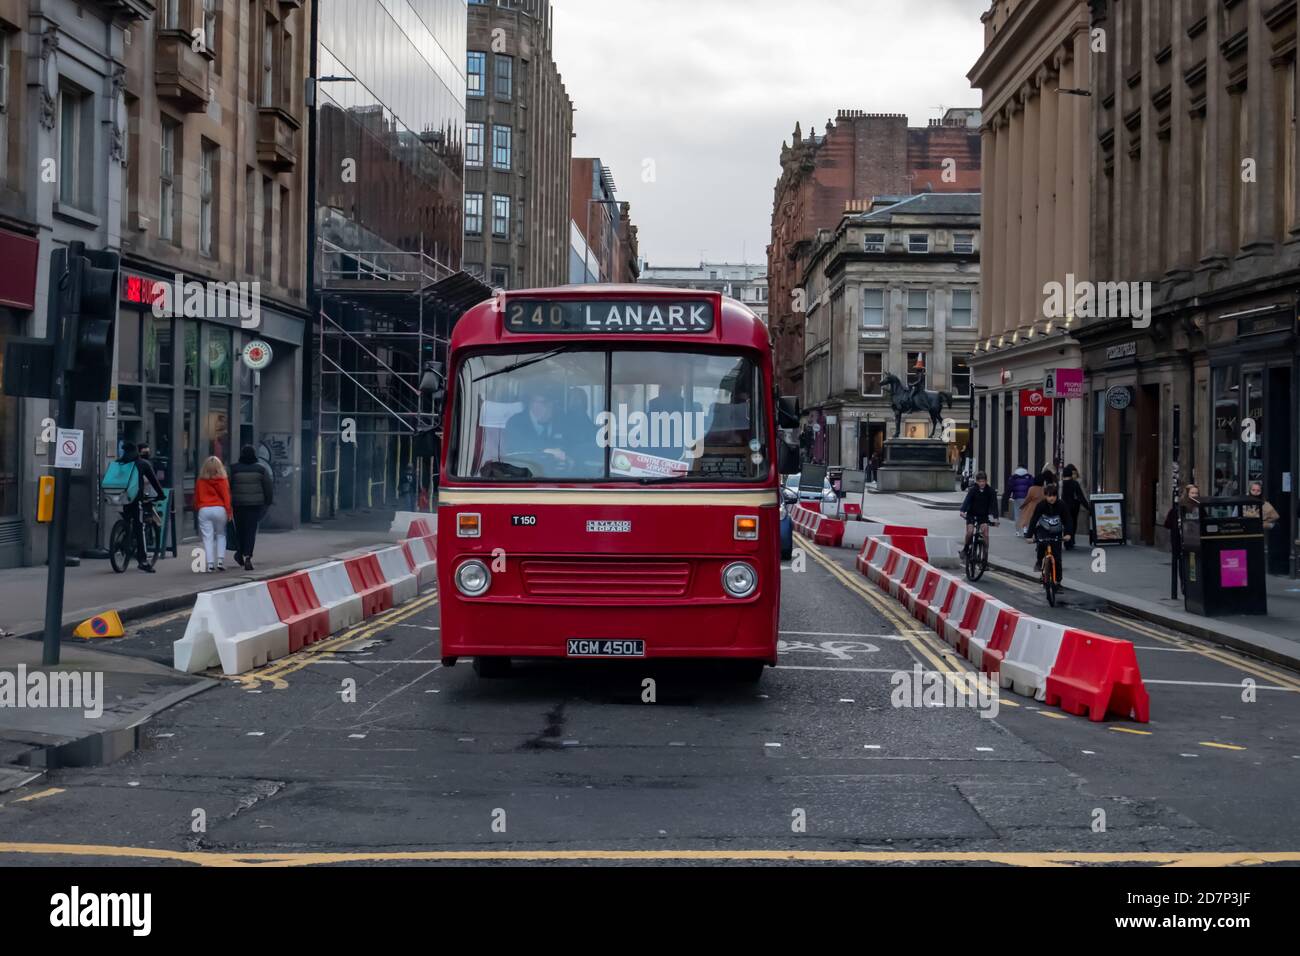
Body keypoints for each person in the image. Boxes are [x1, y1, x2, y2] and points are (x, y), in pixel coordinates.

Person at [116, 441, 165, 573]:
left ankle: (123, 536)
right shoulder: (142, 463)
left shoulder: (119, 463)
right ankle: (143, 561)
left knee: (127, 521)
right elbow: (154, 481)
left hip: (120, 498)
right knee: (140, 527)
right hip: (136, 499)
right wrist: (161, 495)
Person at [504, 386, 570, 471]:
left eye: (553, 403)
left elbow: (572, 443)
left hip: (560, 477)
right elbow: (516, 450)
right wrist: (545, 452)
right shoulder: (515, 422)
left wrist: (569, 458)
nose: (551, 407)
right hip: (526, 476)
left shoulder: (560, 419)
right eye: (546, 403)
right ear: (533, 404)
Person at [230, 444, 273, 571]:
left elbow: (228, 485)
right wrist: (268, 502)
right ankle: (248, 556)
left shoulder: (234, 469)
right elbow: (268, 487)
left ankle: (239, 552)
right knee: (250, 531)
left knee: (240, 529)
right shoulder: (261, 469)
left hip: (238, 504)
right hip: (255, 505)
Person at [194, 456, 233, 572]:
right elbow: (226, 497)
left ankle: (210, 564)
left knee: (208, 537)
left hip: (204, 509)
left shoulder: (200, 481)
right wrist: (229, 511)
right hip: (220, 509)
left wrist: (197, 507)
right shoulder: (222, 480)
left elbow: (196, 496)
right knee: (221, 534)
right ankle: (220, 561)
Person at [1027, 481, 1072, 576]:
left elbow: (1067, 520)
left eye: (1054, 496)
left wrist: (1068, 533)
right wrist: (1029, 536)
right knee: (1041, 544)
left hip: (1057, 531)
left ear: (1057, 496)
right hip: (1043, 530)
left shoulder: (1061, 505)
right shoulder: (1041, 505)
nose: (1051, 498)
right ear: (1045, 496)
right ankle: (1039, 561)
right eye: (1049, 496)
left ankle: (1058, 582)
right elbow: (1034, 520)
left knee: (1057, 558)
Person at [959, 470, 999, 557]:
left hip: (983, 515)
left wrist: (996, 518)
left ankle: (985, 556)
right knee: (970, 531)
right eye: (980, 481)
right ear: (977, 481)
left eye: (983, 481)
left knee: (985, 533)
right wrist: (962, 511)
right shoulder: (973, 490)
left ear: (986, 481)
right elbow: (967, 500)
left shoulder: (990, 491)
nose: (982, 483)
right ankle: (966, 549)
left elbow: (994, 505)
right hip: (971, 514)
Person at [1017, 468, 1056, 538]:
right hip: (1041, 506)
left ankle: (1026, 531)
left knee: (1027, 518)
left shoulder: (1032, 488)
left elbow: (1028, 499)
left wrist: (1023, 505)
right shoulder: (1044, 489)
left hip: (1032, 506)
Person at [1059, 464, 1089, 550]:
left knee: (1066, 524)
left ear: (1063, 474)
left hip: (1063, 507)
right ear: (1070, 475)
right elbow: (1081, 497)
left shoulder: (1060, 483)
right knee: (1073, 523)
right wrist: (1088, 507)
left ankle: (1067, 541)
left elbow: (1057, 495)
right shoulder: (1075, 483)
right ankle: (1070, 540)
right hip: (1074, 507)